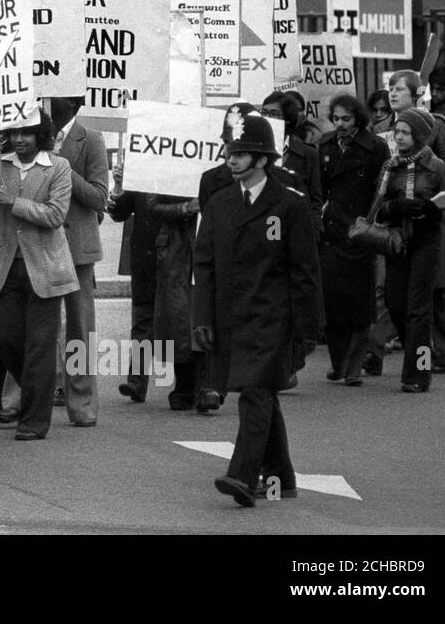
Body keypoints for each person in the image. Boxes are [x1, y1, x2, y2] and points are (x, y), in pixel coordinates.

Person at [193, 114, 322, 507]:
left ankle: (243, 477)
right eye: (230, 153)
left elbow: (305, 271)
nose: (231, 161)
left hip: (273, 318)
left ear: (263, 160)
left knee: (254, 391)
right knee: (263, 391)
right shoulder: (219, 203)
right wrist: (201, 318)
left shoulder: (289, 205)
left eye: (242, 154)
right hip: (231, 316)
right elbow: (204, 265)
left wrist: (307, 329)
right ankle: (281, 476)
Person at [0, 116, 77, 441]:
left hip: (45, 268)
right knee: (6, 341)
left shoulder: (58, 166)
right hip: (6, 267)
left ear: (41, 136)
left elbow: (56, 215)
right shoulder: (0, 164)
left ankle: (33, 422)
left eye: (26, 132)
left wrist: (15, 203)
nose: (19, 139)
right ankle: (38, 393)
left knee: (40, 347)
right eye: (15, 132)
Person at [377, 108, 445, 393]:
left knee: (418, 308)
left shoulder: (438, 168)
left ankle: (418, 373)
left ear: (420, 136)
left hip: (426, 241)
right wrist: (395, 206)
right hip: (397, 240)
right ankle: (419, 348)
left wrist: (429, 210)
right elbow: (376, 210)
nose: (399, 137)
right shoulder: (390, 167)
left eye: (405, 133)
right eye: (397, 132)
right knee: (397, 303)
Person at [316, 94, 390, 387]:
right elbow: (317, 188)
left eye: (346, 119)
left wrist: (370, 221)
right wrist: (321, 213)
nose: (341, 124)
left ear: (357, 118)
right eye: (336, 118)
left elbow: (381, 188)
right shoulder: (325, 145)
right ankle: (340, 363)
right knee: (332, 301)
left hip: (360, 228)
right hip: (331, 229)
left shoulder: (375, 148)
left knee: (359, 303)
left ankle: (354, 366)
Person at [48, 96, 108, 426]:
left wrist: (63, 169)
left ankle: (82, 402)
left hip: (76, 247)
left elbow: (100, 197)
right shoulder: (30, 133)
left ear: (73, 102)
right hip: (38, 241)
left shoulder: (92, 139)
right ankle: (19, 400)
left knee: (79, 329)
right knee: (34, 327)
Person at [145, 193, 201, 408]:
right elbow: (152, 205)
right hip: (175, 249)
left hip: (208, 239)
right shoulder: (164, 169)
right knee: (178, 319)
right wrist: (186, 207)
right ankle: (185, 386)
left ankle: (209, 385)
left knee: (209, 310)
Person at [107, 177, 159, 404]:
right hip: (145, 256)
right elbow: (119, 212)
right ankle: (136, 381)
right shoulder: (144, 172)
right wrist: (119, 185)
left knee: (182, 320)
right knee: (142, 320)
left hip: (179, 255)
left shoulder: (185, 175)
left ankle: (189, 386)